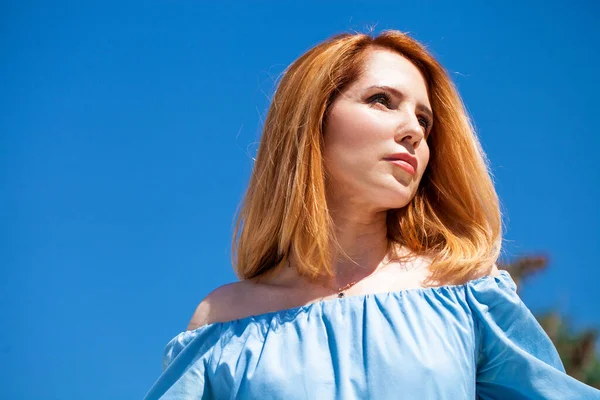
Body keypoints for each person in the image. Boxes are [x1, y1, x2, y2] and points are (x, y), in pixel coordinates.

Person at [144, 30, 600, 399]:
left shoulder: (466, 292)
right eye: (382, 100)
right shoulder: (221, 320)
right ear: (312, 120)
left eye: (425, 120)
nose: (413, 132)